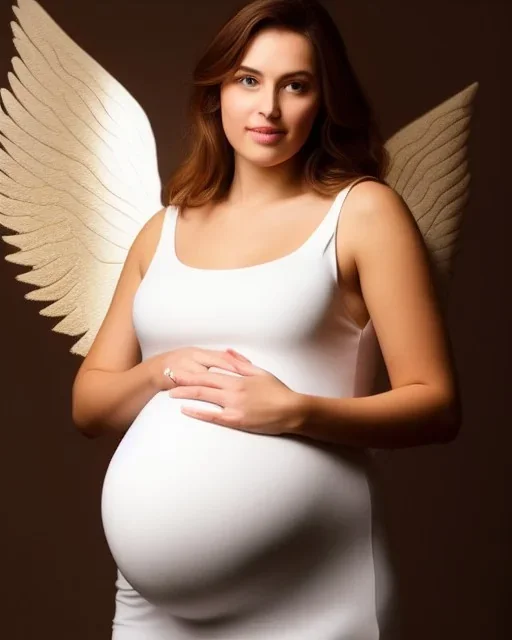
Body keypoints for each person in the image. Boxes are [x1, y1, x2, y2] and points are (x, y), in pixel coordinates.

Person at [72, 0, 462, 637]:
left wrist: (295, 411)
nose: (269, 109)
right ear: (216, 92)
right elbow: (88, 406)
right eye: (248, 80)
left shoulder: (363, 213)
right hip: (154, 612)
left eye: (296, 85)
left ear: (323, 100)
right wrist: (159, 370)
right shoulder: (161, 230)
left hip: (314, 593)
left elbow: (437, 405)